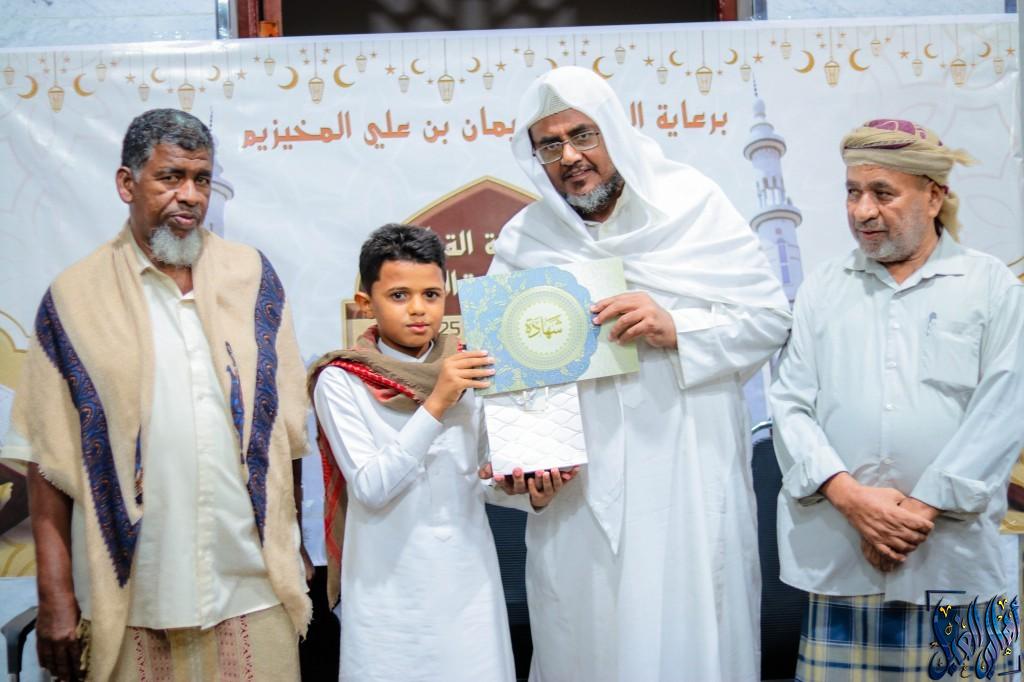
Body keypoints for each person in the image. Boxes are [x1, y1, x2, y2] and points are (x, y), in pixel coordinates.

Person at [487, 66, 792, 681]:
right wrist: (523, 468)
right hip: (579, 498)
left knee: (690, 635)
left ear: (614, 131)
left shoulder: (691, 205)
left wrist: (677, 326)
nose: (570, 157)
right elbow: (504, 378)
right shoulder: (527, 241)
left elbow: (768, 319)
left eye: (583, 134)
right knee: (587, 641)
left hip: (687, 475)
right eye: (550, 145)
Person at [2, 109, 311, 681]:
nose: (189, 196)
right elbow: (47, 462)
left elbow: (285, 432)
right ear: (127, 184)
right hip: (133, 594)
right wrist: (55, 596)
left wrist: (296, 549)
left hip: (250, 584)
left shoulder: (252, 278)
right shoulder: (75, 297)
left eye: (201, 179)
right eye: (170, 177)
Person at [769, 119, 1024, 680]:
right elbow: (789, 404)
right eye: (853, 192)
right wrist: (853, 501)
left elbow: (1005, 412)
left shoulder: (990, 286)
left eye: (883, 193)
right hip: (845, 558)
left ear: (934, 196)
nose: (863, 211)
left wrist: (917, 512)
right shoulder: (823, 288)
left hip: (962, 563)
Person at [308, 224, 570, 682]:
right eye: (399, 295)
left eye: (431, 295)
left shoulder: (472, 368)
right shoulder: (341, 380)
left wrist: (529, 493)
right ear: (366, 303)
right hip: (388, 594)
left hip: (468, 587)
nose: (418, 309)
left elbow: (480, 480)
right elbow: (370, 488)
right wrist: (438, 402)